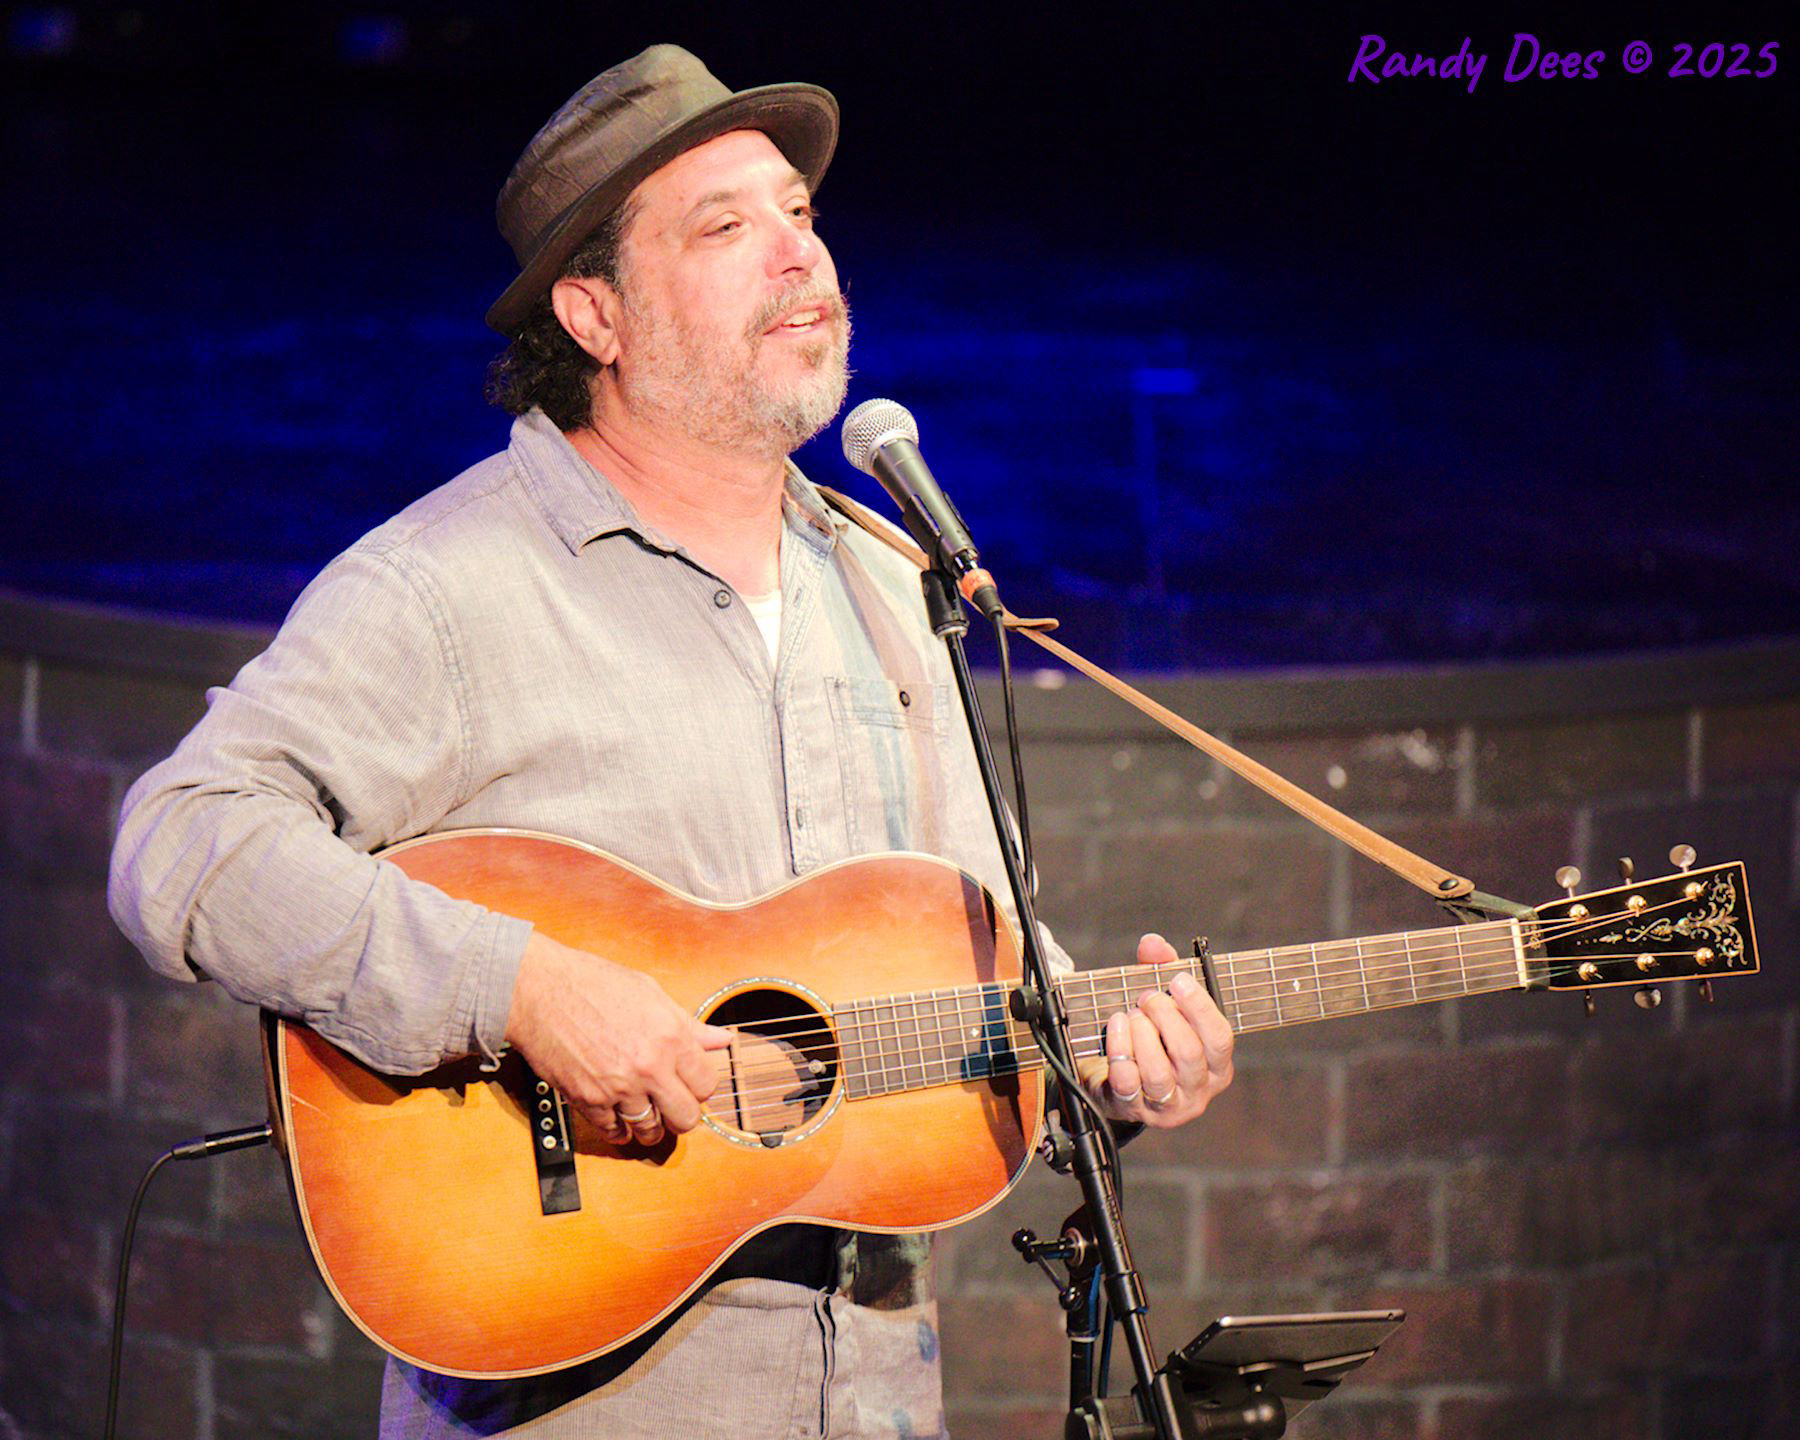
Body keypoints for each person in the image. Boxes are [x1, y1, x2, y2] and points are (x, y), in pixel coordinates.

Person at [108, 44, 1235, 1439]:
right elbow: (184, 840)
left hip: (878, 1400)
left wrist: (1115, 1071)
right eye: (725, 228)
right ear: (596, 313)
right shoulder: (449, 586)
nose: (797, 260)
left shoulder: (888, 585)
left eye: (800, 217)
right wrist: (520, 989)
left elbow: (963, 958)